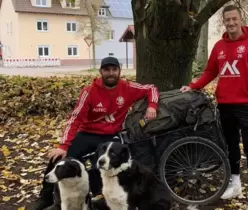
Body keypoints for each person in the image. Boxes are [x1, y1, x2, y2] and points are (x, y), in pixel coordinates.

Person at [26, 56, 160, 210]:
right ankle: (45, 198)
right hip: (88, 133)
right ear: (101, 71)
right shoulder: (89, 91)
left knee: (105, 163)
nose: (111, 73)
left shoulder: (127, 87)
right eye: (107, 70)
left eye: (114, 70)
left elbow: (151, 88)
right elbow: (74, 119)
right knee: (57, 158)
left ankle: (100, 198)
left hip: (111, 135)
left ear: (119, 71)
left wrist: (152, 106)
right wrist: (63, 146)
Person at [180, 5, 248, 210]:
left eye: (234, 19)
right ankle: (235, 183)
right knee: (230, 147)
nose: (231, 23)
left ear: (241, 19)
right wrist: (193, 86)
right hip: (225, 105)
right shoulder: (219, 46)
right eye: (227, 20)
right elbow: (210, 71)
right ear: (224, 22)